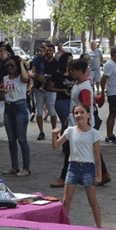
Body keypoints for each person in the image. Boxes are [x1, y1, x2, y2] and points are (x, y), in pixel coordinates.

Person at [52, 104, 104, 228]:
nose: (79, 115)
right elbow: (56, 146)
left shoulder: (94, 133)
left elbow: (97, 155)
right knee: (66, 199)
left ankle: (99, 227)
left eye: (82, 112)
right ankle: (63, 226)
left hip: (88, 168)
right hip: (73, 167)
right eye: (76, 113)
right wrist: (54, 135)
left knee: (92, 200)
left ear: (88, 114)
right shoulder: (70, 130)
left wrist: (99, 174)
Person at [1, 55, 31, 177]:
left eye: (12, 65)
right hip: (8, 107)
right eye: (9, 65)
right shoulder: (5, 78)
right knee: (11, 140)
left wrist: (22, 64)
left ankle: (26, 168)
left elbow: (25, 77)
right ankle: (14, 166)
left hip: (20, 107)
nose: (10, 67)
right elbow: (3, 95)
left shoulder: (21, 78)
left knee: (22, 139)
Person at [48, 52, 75, 189]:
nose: (70, 62)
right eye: (69, 60)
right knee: (66, 123)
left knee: (69, 123)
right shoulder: (57, 74)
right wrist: (62, 89)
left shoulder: (73, 74)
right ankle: (65, 145)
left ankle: (66, 144)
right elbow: (49, 87)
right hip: (61, 100)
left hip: (71, 101)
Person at [100, 48, 116, 145]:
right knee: (112, 114)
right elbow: (104, 78)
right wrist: (102, 91)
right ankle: (109, 135)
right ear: (114, 53)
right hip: (113, 93)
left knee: (115, 113)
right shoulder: (109, 64)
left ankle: (111, 134)